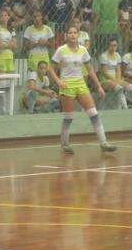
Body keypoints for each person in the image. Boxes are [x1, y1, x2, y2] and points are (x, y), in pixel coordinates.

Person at [49, 25, 116, 154]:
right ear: (66, 36)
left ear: (78, 35)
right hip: (67, 85)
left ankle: (103, 143)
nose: (73, 35)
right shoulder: (61, 50)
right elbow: (51, 68)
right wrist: (58, 81)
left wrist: (99, 86)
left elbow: (90, 70)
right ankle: (65, 144)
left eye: (75, 33)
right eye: (70, 32)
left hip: (81, 84)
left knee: (93, 113)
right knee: (68, 116)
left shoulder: (83, 50)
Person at [99, 38, 132, 109]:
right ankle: (125, 108)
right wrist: (115, 81)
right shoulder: (103, 56)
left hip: (116, 79)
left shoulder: (117, 55)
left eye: (115, 45)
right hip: (106, 80)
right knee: (119, 88)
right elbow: (105, 72)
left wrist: (118, 80)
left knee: (131, 88)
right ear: (108, 46)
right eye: (111, 45)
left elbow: (118, 70)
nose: (113, 47)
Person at [0, 8, 17, 111]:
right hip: (0, 58)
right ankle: (3, 108)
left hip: (10, 58)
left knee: (10, 83)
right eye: (2, 16)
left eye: (6, 15)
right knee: (1, 84)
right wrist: (9, 44)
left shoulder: (12, 29)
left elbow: (15, 45)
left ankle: (10, 107)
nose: (4, 18)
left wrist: (5, 45)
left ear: (8, 17)